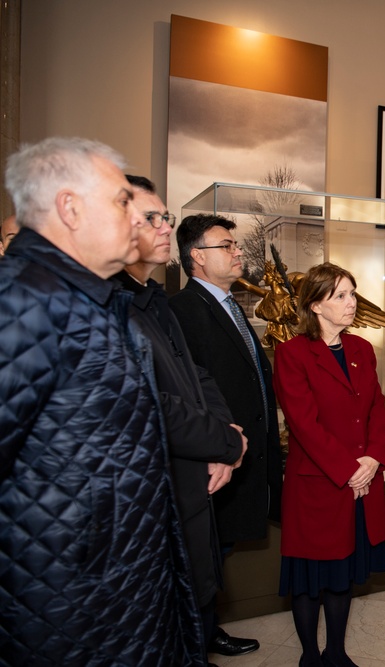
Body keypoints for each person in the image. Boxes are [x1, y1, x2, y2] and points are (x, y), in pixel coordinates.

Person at [0, 137, 201, 663]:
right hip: (63, 608)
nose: (135, 219)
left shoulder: (88, 300)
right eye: (121, 202)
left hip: (116, 594)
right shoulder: (20, 301)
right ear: (69, 208)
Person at [113, 176, 249, 662]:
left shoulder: (153, 301)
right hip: (152, 495)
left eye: (165, 217)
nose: (165, 226)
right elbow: (150, 400)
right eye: (153, 218)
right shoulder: (108, 303)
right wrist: (226, 444)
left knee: (195, 606)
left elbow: (196, 379)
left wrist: (225, 436)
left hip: (193, 483)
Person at [170, 213, 284, 657]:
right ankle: (195, 638)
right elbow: (189, 391)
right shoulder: (183, 311)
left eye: (235, 244)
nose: (238, 251)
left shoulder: (230, 304)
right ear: (197, 256)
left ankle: (207, 629)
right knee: (203, 549)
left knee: (220, 546)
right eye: (226, 245)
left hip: (241, 453)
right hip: (213, 456)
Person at [272, 263, 385, 667]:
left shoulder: (362, 350)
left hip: (361, 480)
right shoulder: (292, 354)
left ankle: (336, 652)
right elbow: (304, 425)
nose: (351, 302)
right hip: (317, 487)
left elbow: (376, 409)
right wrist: (350, 470)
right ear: (316, 305)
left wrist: (373, 459)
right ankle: (310, 656)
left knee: (343, 575)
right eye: (340, 295)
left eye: (352, 293)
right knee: (309, 581)